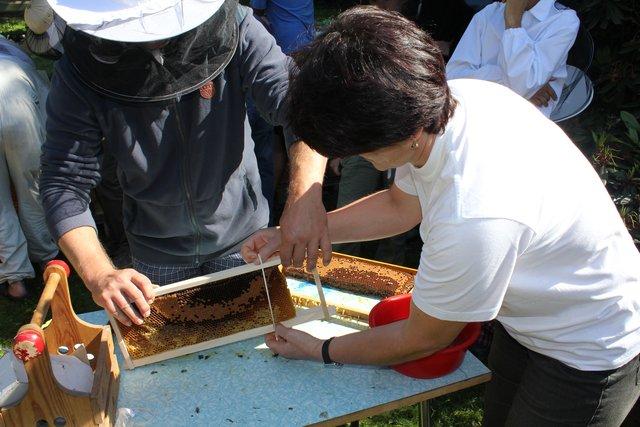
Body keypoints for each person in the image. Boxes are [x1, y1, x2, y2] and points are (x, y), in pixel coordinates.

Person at [242, 7, 640, 425]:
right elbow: (400, 206)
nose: (353, 157)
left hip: (591, 346)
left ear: (402, 134)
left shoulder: (474, 214)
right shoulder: (458, 101)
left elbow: (420, 338)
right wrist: (298, 233)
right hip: (532, 321)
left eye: (356, 149)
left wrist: (319, 349)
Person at [39, 0, 329, 327]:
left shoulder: (235, 24)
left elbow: (303, 107)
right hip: (155, 255)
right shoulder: (81, 66)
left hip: (247, 242)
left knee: (261, 348)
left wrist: (305, 198)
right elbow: (63, 183)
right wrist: (100, 275)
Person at [446, 0, 580, 117]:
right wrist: (518, 88)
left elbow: (522, 84)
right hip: (475, 118)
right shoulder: (489, 14)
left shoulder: (563, 21)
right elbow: (453, 79)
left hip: (523, 129)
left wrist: (513, 22)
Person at [0, 36, 59, 300]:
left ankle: (15, 280)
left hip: (14, 100)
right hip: (17, 107)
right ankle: (48, 261)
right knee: (32, 185)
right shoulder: (20, 58)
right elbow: (47, 114)